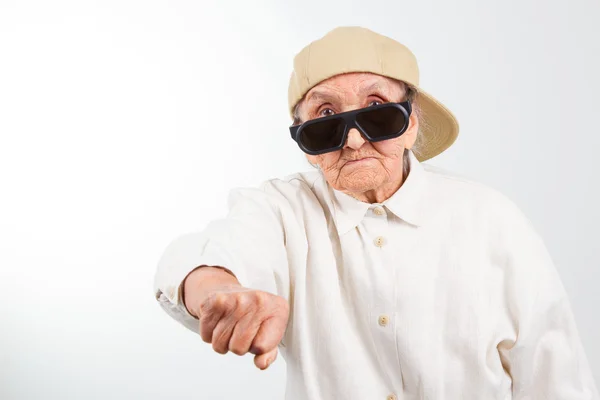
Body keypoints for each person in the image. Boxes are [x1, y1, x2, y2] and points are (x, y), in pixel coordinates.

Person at [153, 26, 598, 399]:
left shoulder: (492, 220)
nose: (352, 141)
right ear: (305, 144)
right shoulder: (282, 211)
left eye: (376, 111)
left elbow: (556, 375)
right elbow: (199, 256)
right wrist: (218, 289)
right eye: (326, 116)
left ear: (412, 123)